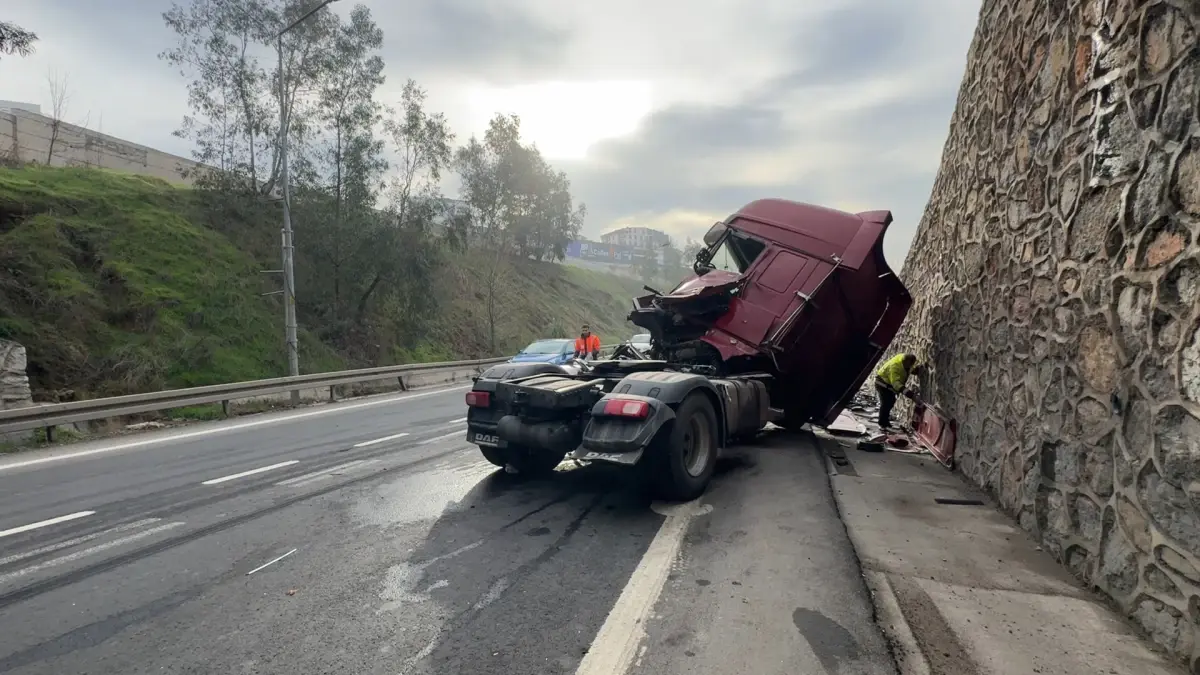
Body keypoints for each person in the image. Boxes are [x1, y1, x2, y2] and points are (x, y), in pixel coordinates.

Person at [874, 352, 922, 430]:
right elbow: (896, 384)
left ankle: (885, 421)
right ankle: (882, 424)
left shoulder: (905, 361)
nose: (910, 367)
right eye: (909, 365)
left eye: (911, 365)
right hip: (882, 384)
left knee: (891, 401)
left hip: (888, 385)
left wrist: (914, 370)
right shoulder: (895, 366)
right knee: (886, 403)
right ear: (904, 361)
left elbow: (907, 369)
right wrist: (911, 395)